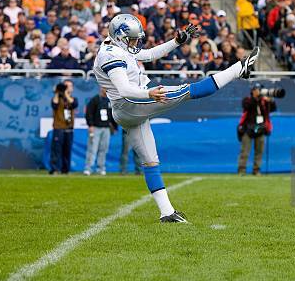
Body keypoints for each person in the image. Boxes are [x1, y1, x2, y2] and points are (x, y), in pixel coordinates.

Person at [93, 14, 259, 223]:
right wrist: (149, 94)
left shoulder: (116, 46)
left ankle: (166, 213)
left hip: (128, 110)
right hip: (132, 103)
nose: (135, 43)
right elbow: (125, 89)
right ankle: (237, 69)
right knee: (188, 91)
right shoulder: (110, 55)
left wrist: (176, 42)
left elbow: (149, 54)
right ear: (120, 37)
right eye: (132, 39)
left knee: (150, 161)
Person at [237, 83, 277, 175]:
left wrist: (271, 100)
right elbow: (246, 106)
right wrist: (255, 98)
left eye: (260, 90)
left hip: (261, 128)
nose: (259, 92)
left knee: (259, 151)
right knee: (245, 151)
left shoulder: (264, 101)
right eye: (257, 90)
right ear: (252, 91)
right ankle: (241, 169)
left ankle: (257, 169)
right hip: (248, 129)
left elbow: (273, 109)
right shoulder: (247, 99)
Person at [84, 87, 117, 176]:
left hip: (106, 128)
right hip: (96, 127)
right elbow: (89, 113)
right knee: (92, 149)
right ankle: (88, 168)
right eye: (104, 88)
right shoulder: (95, 100)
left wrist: (114, 127)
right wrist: (90, 125)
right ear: (100, 88)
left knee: (103, 149)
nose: (106, 90)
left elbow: (113, 114)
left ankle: (101, 167)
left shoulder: (110, 100)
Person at [49, 80, 78, 174]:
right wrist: (58, 92)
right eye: (66, 86)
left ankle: (65, 170)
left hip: (69, 128)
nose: (68, 87)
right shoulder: (57, 98)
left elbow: (74, 104)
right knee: (56, 150)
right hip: (59, 127)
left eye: (69, 86)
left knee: (67, 150)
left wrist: (66, 94)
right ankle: (55, 169)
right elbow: (54, 104)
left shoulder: (72, 98)